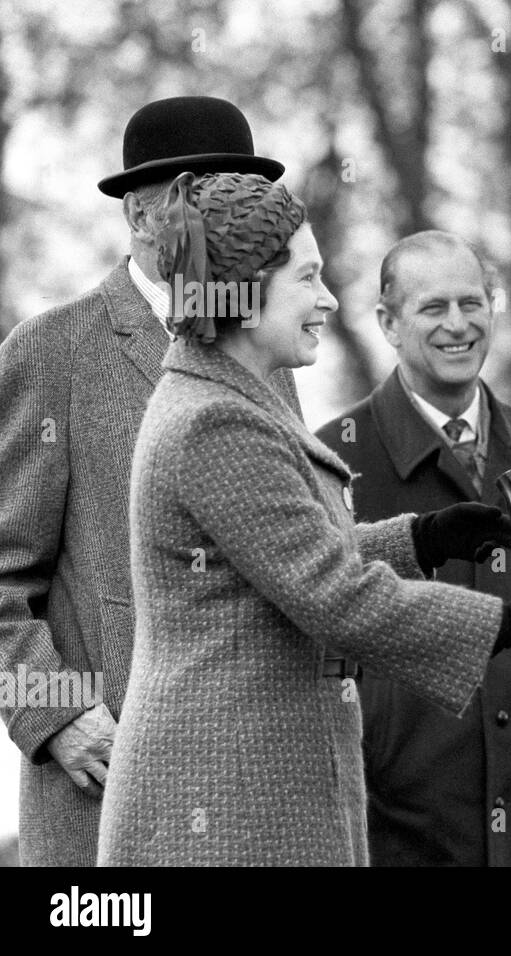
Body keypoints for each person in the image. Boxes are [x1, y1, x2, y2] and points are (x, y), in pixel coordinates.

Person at [96, 172, 511, 866]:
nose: (327, 299)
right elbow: (337, 597)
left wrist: (425, 538)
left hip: (251, 794)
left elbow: (292, 556)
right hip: (223, 805)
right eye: (308, 278)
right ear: (246, 292)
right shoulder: (217, 421)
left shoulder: (230, 397)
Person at [0, 97, 302, 866]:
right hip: (105, 803)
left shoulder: (262, 351)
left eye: (247, 200)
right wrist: (58, 712)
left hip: (257, 794)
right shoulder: (52, 351)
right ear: (141, 215)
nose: (236, 223)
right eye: (210, 200)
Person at [316, 231, 511, 866]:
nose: (459, 325)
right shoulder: (332, 460)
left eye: (472, 303)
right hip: (390, 831)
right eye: (433, 308)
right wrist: (380, 748)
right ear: (388, 324)